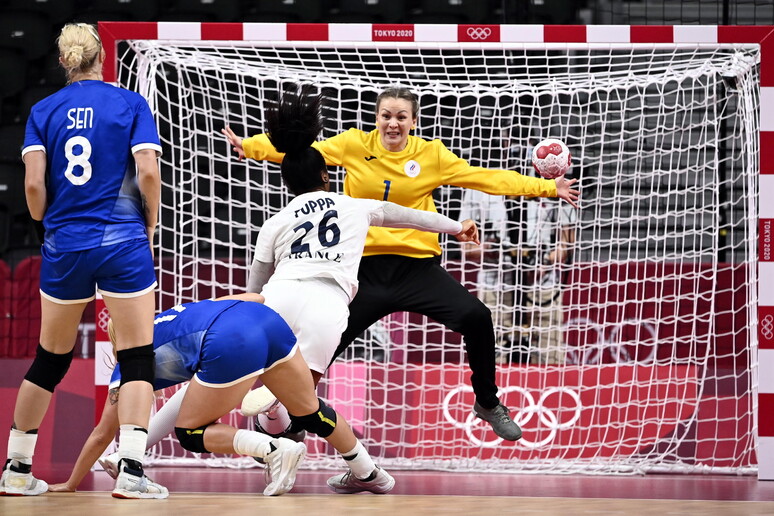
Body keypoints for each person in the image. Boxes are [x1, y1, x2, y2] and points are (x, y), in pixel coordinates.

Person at [223, 85, 579, 441]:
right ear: (376, 118)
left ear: (413, 120)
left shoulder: (432, 155)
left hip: (416, 269)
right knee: (321, 346)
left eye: (401, 117)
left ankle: (487, 402)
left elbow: (486, 177)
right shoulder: (353, 145)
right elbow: (299, 150)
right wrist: (250, 147)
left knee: (477, 317)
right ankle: (294, 422)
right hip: (363, 272)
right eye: (386, 116)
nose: (393, 124)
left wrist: (548, 188)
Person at [236, 84, 477, 492]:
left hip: (280, 297)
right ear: (328, 174)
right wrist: (457, 227)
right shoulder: (354, 205)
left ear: (284, 179)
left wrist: (252, 145)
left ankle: (136, 449)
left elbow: (253, 291)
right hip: (328, 307)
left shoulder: (275, 222)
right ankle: (368, 472)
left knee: (251, 397)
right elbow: (415, 218)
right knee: (304, 400)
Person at [0, 23, 164, 499]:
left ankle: (16, 468)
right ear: (103, 59)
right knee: (136, 357)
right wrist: (148, 224)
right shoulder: (130, 103)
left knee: (49, 360)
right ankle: (131, 471)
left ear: (62, 62)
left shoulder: (42, 110)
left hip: (65, 243)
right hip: (122, 240)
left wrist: (46, 227)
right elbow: (148, 173)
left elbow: (33, 187)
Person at [47, 293, 394, 496]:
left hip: (230, 341)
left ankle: (275, 448)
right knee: (310, 413)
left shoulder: (129, 363)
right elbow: (256, 297)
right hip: (266, 321)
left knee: (190, 432)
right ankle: (368, 472)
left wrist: (71, 484)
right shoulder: (172, 315)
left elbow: (100, 434)